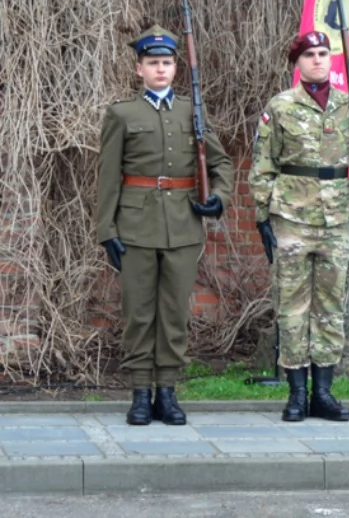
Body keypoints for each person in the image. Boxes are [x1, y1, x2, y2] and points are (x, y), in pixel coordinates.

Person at [249, 31, 349, 422]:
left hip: (336, 221)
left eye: (323, 53)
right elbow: (263, 164)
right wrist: (263, 216)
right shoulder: (280, 107)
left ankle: (325, 393)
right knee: (292, 308)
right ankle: (297, 394)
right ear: (296, 63)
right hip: (292, 219)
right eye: (310, 55)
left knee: (331, 308)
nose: (318, 60)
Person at [96, 25, 233, 426]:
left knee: (173, 313)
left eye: (167, 62)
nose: (160, 69)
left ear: (176, 67)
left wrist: (218, 198)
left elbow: (221, 164)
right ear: (139, 68)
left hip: (183, 225)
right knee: (139, 313)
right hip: (135, 226)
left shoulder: (194, 112)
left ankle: (167, 393)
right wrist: (107, 231)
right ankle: (140, 394)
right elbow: (107, 177)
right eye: (152, 63)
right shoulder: (122, 113)